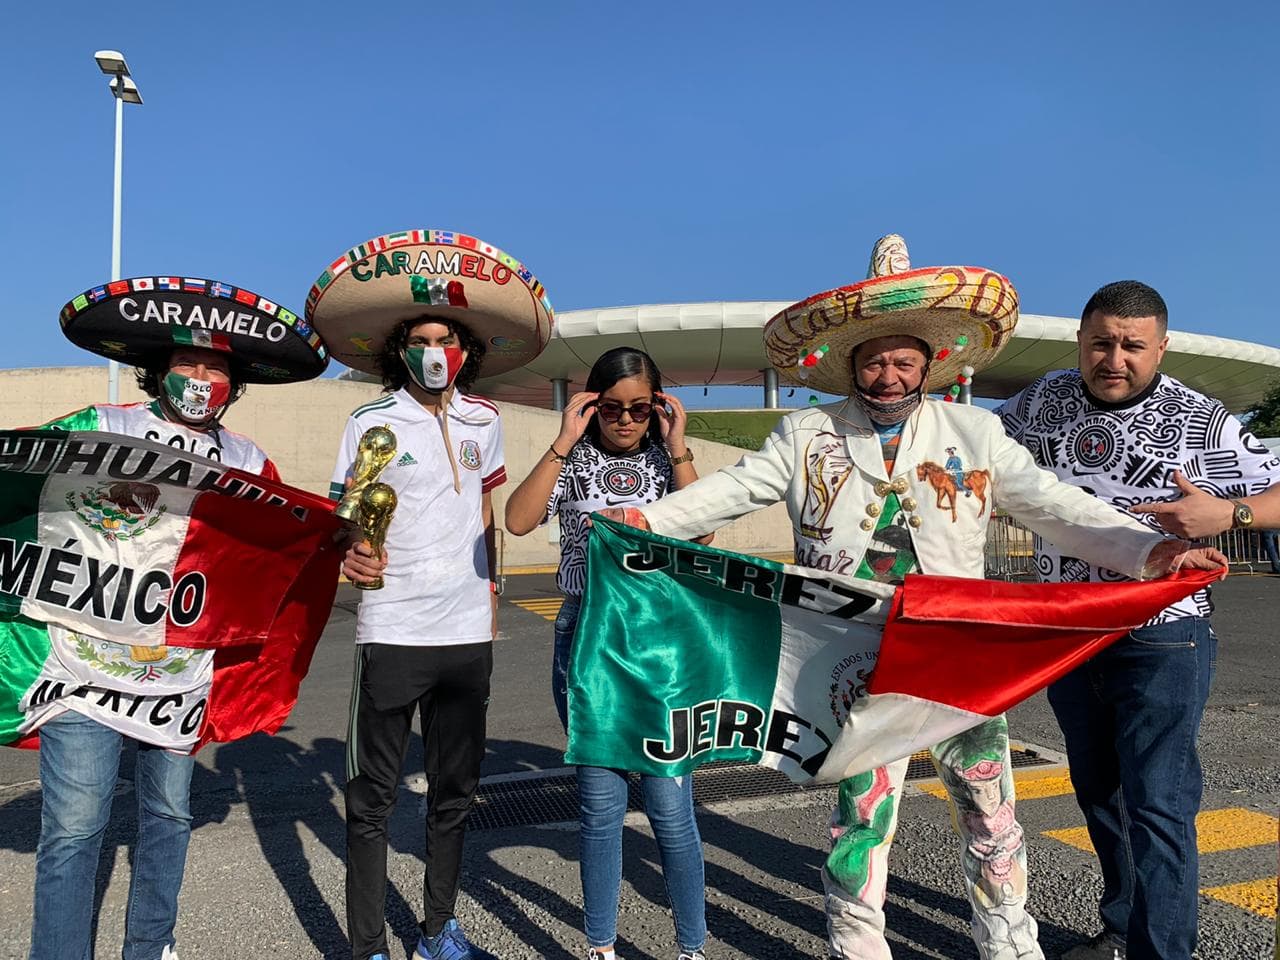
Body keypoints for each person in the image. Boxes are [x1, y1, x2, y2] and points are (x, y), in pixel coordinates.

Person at [597, 235, 1226, 960]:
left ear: (929, 364)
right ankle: (857, 947)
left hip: (960, 650)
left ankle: (1009, 944)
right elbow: (730, 493)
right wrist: (645, 521)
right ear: (852, 364)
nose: (888, 376)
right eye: (874, 361)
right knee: (862, 818)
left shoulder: (974, 431)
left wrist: (1153, 551)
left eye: (902, 361)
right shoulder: (807, 434)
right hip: (858, 659)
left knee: (991, 811)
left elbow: (1057, 507)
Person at [27, 276, 327, 960]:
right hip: (82, 665)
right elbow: (25, 475)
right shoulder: (104, 425)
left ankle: (150, 947)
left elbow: (282, 550)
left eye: (217, 367)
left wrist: (343, 545)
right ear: (158, 370)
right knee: (75, 826)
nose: (201, 378)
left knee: (167, 816)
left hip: (179, 675)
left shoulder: (250, 461)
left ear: (236, 381)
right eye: (188, 363)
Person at [996, 280, 1280, 960]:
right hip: (1069, 630)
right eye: (1101, 343)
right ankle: (1122, 930)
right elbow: (957, 444)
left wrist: (1231, 513)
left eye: (1132, 346)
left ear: (1160, 347)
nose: (1114, 359)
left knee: (1158, 802)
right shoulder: (1042, 404)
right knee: (1098, 793)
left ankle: (1164, 953)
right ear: (1080, 341)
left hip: (1165, 633)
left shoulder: (1199, 419)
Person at [306, 230, 554, 960]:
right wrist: (351, 551)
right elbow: (343, 519)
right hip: (392, 629)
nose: (435, 350)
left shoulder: (488, 421)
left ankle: (439, 928)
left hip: (466, 636)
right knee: (370, 803)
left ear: (466, 350)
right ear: (402, 351)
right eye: (421, 339)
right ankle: (368, 947)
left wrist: (492, 593)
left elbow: (485, 511)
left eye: (447, 338)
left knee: (454, 795)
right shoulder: (369, 422)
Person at [505, 347, 708, 960]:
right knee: (600, 809)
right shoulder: (573, 461)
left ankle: (692, 948)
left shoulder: (663, 459)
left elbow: (702, 532)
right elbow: (517, 520)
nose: (626, 420)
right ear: (591, 405)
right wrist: (563, 438)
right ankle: (600, 947)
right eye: (612, 407)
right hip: (587, 637)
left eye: (639, 408)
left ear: (657, 407)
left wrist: (677, 447)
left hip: (659, 649)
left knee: (671, 809)